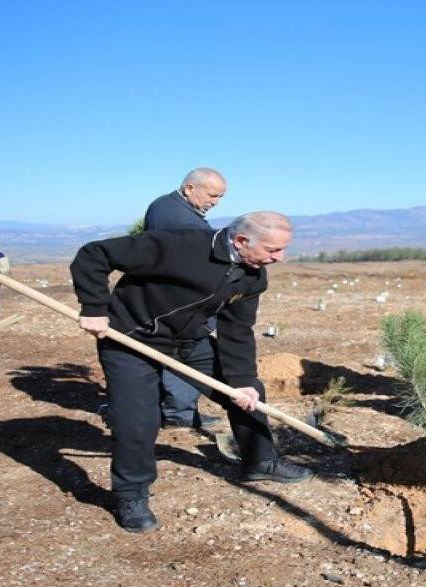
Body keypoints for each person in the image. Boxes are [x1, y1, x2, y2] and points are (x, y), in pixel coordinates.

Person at [71, 211, 310, 533]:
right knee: (137, 420)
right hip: (131, 339)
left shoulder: (253, 276)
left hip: (189, 342)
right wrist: (94, 307)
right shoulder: (179, 245)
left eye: (282, 249)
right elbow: (94, 254)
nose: (279, 258)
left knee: (249, 392)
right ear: (241, 241)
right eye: (273, 250)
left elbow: (237, 329)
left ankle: (260, 460)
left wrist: (241, 381)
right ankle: (131, 495)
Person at [142, 168, 229, 430]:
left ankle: (173, 410)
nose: (215, 202)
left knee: (172, 355)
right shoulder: (182, 219)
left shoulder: (163, 204)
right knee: (183, 354)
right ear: (189, 188)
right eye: (212, 195)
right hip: (178, 303)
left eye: (220, 197)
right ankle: (178, 414)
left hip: (166, 299)